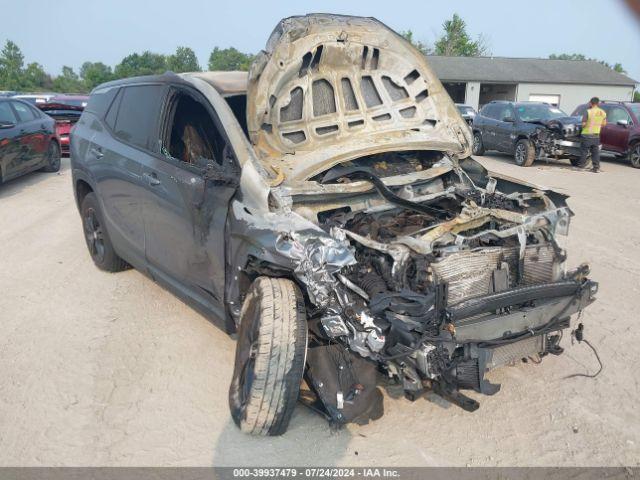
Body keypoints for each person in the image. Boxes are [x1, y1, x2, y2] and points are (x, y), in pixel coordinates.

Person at [580, 97, 607, 173]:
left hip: (586, 134)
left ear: (590, 103)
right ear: (598, 103)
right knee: (595, 152)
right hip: (596, 135)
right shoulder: (603, 112)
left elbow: (583, 124)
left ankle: (581, 165)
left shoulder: (588, 112)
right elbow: (604, 124)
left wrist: (583, 126)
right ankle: (596, 167)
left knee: (584, 151)